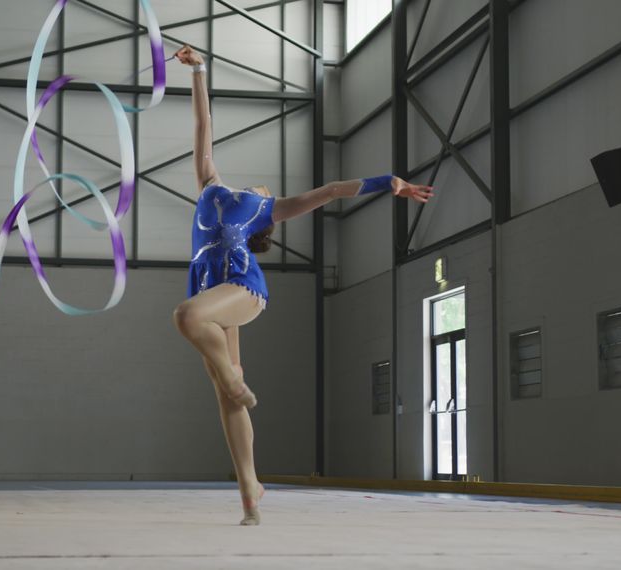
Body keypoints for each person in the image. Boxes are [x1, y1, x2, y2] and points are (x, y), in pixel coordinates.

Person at [171, 45, 433, 525]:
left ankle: (235, 380)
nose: (263, 186)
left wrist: (386, 183)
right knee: (224, 392)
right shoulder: (210, 185)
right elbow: (203, 128)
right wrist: (200, 71)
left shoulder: (268, 210)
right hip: (210, 288)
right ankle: (251, 490)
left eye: (268, 191)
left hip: (241, 289)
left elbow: (332, 190)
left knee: (187, 317)